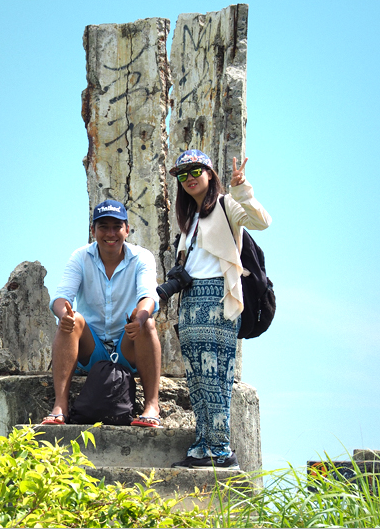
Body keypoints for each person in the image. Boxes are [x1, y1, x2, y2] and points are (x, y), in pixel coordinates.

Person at [166, 150, 272, 470]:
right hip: (190, 301)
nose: (189, 178)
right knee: (196, 378)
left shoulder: (226, 205)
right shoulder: (189, 221)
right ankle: (202, 446)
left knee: (217, 375)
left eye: (195, 170)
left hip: (218, 296)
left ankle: (221, 449)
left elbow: (262, 221)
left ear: (210, 173)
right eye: (183, 174)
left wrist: (242, 189)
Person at [42, 199, 163, 427]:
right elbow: (61, 297)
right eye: (103, 227)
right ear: (93, 231)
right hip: (92, 348)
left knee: (147, 323)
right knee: (72, 319)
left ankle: (152, 406)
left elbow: (149, 296)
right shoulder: (80, 256)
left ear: (127, 229)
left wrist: (138, 318)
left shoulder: (142, 257)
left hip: (127, 345)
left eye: (116, 227)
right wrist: (63, 314)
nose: (110, 233)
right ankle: (60, 406)